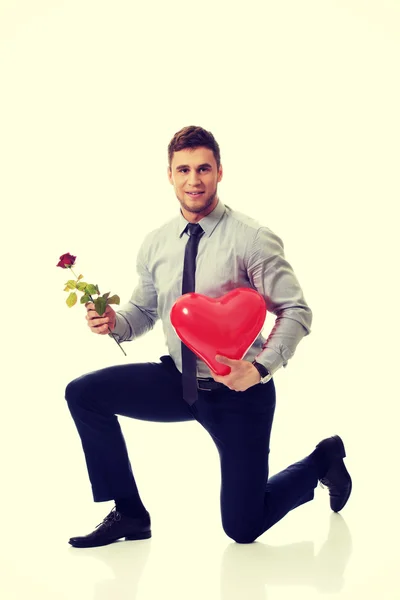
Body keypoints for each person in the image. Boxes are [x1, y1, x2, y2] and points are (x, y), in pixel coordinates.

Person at [65, 125, 352, 548]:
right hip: (179, 383)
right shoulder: (155, 243)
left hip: (240, 392)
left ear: (219, 171)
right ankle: (129, 513)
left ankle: (322, 459)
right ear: (169, 175)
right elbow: (145, 312)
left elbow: (296, 311)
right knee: (84, 393)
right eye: (183, 170)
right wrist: (114, 323)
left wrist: (258, 369)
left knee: (243, 527)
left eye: (203, 169)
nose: (193, 180)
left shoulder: (251, 238)